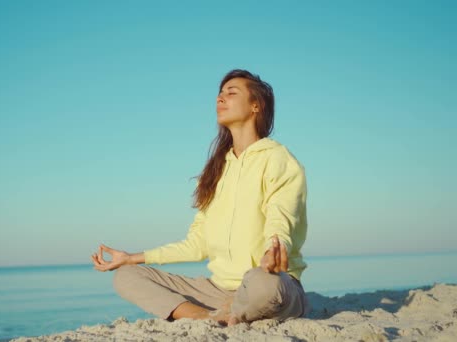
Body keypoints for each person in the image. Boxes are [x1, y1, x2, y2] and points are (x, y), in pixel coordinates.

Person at [91, 69, 309, 326]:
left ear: (255, 106)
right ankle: (206, 316)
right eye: (219, 94)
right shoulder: (217, 170)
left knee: (264, 285)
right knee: (126, 277)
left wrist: (276, 245)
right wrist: (130, 258)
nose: (220, 99)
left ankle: (233, 311)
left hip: (269, 281)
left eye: (231, 93)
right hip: (218, 291)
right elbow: (197, 245)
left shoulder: (277, 158)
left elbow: (281, 214)